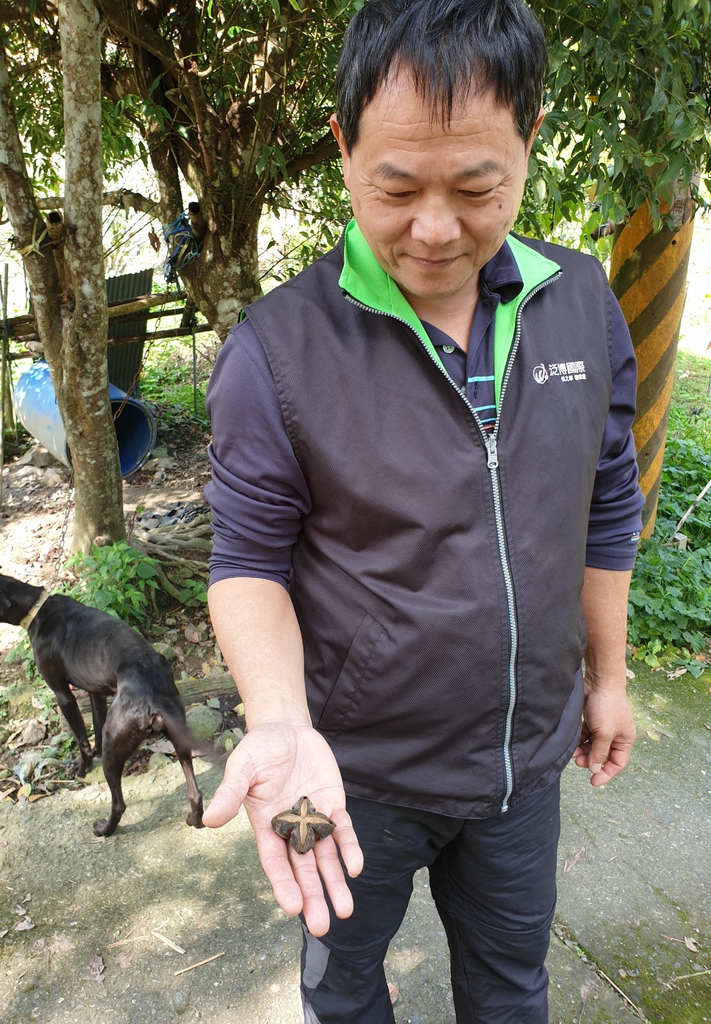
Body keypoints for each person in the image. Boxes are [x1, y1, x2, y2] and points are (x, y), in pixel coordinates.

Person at [201, 1, 645, 1020]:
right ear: (342, 145)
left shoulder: (580, 301)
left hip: (522, 770)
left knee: (510, 990)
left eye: (477, 187)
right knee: (343, 993)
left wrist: (608, 676)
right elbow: (249, 564)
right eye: (394, 188)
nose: (435, 228)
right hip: (343, 778)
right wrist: (280, 725)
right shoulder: (277, 352)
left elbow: (607, 497)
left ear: (530, 140)